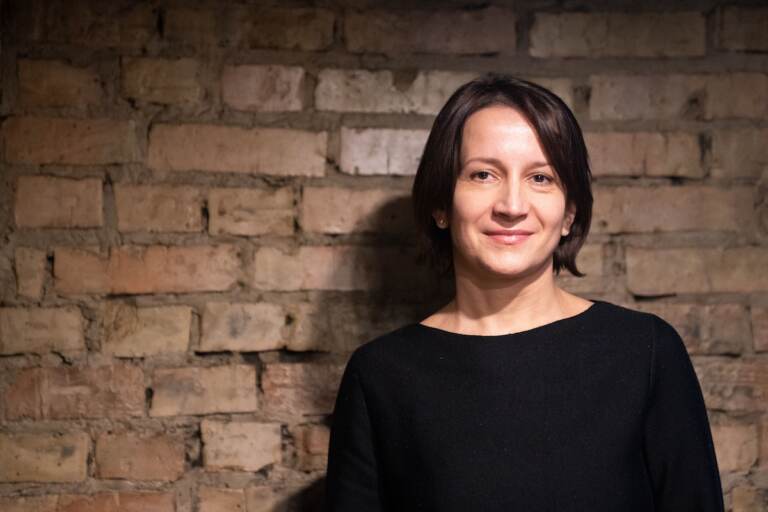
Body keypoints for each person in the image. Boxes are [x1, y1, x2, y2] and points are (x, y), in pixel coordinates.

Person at [324, 73, 724, 511]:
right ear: (441, 205)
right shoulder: (381, 376)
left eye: (540, 178)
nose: (512, 206)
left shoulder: (645, 353)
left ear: (569, 212)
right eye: (483, 174)